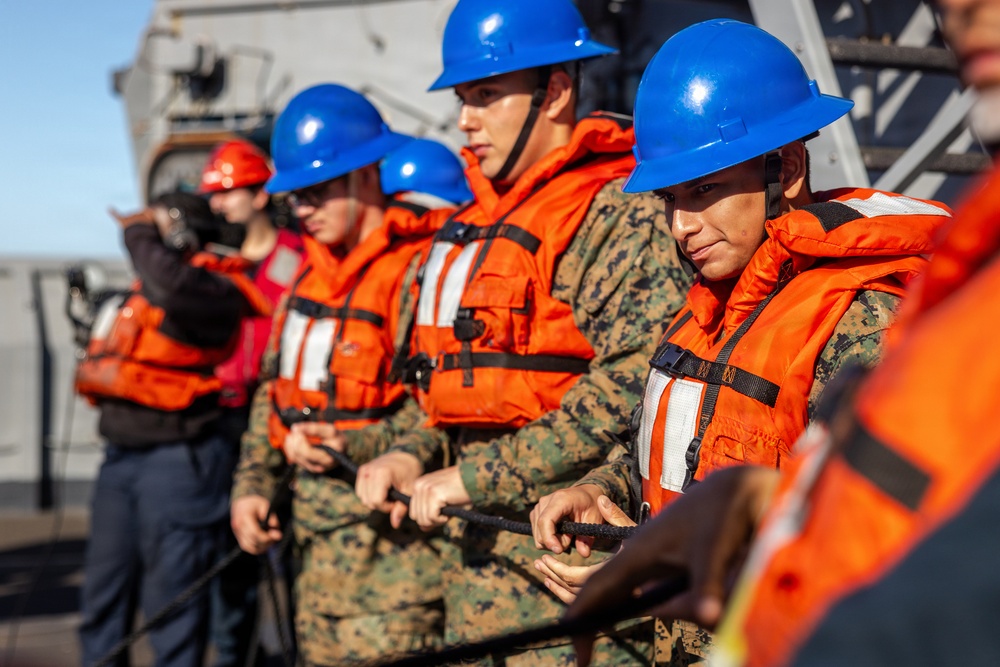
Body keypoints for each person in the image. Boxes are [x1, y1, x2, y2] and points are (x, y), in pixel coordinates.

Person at [562, 2, 1000, 664]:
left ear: (787, 171)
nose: (682, 225)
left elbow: (867, 535)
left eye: (704, 190)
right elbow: (679, 453)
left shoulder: (856, 321)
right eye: (671, 199)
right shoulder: (707, 309)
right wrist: (605, 489)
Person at [350, 0, 692, 663]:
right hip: (477, 572)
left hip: (568, 578)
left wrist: (477, 477)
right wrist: (414, 453)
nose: (464, 121)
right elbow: (461, 387)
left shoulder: (615, 215)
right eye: (461, 98)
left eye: (485, 95)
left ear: (557, 91)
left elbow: (635, 381)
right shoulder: (478, 225)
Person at [228, 85, 466, 666]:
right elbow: (273, 395)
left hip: (395, 582)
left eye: (318, 191)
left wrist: (353, 445)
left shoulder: (419, 276)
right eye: (294, 197)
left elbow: (444, 407)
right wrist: (253, 486)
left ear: (365, 177)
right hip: (312, 570)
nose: (304, 209)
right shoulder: (304, 283)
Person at [75, 192, 272, 667]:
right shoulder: (156, 287)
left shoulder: (214, 291)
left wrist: (138, 230)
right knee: (103, 599)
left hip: (180, 464)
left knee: (173, 608)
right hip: (121, 460)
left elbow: (172, 286)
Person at [198, 138, 304, 667]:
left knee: (290, 554)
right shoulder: (214, 266)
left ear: (261, 195)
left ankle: (295, 650)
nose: (218, 205)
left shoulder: (299, 259)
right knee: (231, 559)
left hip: (283, 419)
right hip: (223, 420)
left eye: (228, 193)